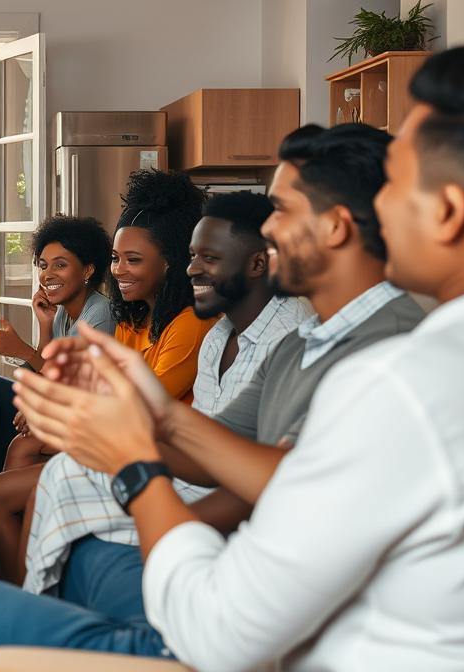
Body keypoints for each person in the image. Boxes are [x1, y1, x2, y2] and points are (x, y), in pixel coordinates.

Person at [12, 46, 464, 669]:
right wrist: (147, 413)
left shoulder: (404, 378)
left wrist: (136, 466)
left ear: (447, 212)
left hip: (239, 632)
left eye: (397, 186)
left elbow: (224, 629)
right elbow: (284, 473)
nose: (378, 211)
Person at [0, 123, 422, 669]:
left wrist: (135, 463)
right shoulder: (308, 339)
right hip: (219, 592)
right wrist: (132, 412)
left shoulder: (383, 354)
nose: (269, 229)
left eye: (282, 212)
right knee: (48, 483)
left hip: (213, 622)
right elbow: (222, 444)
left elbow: (285, 498)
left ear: (337, 226)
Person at [24, 191, 310, 598]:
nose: (191, 268)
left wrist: (162, 508)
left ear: (258, 262)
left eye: (208, 258)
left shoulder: (290, 338)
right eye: (191, 256)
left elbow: (259, 477)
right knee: (64, 472)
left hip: (228, 501)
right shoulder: (219, 336)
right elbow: (207, 444)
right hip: (199, 475)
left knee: (65, 477)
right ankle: (45, 614)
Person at [0, 171, 213, 584]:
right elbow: (96, 386)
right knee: (20, 445)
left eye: (133, 260)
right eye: (117, 259)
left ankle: (20, 599)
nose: (119, 270)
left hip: (154, 451)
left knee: (0, 490)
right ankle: (13, 584)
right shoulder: (135, 318)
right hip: (123, 439)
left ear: (170, 262)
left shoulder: (188, 324)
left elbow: (138, 408)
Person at [0, 214, 115, 505]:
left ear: (88, 270)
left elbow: (72, 384)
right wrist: (45, 324)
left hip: (85, 414)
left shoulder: (99, 317)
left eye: (60, 265)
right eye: (43, 265)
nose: (47, 274)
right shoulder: (66, 311)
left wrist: (22, 350)